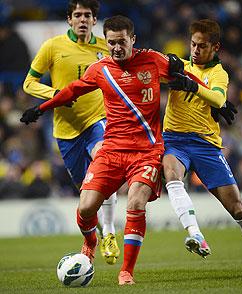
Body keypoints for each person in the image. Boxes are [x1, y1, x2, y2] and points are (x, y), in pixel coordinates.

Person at [20, 15, 186, 285]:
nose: (117, 47)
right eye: (112, 43)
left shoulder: (154, 60)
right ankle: (91, 242)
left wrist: (213, 98)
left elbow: (187, 73)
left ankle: (126, 272)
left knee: (135, 203)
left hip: (146, 151)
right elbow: (72, 90)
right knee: (86, 208)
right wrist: (40, 108)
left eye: (122, 42)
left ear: (133, 39)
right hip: (112, 150)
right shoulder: (100, 69)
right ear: (106, 42)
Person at [163, 19, 242, 277]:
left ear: (215, 47)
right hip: (174, 140)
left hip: (206, 145)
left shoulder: (219, 74)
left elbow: (218, 98)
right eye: (193, 44)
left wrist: (192, 84)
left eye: (202, 46)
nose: (195, 50)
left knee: (237, 208)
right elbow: (151, 65)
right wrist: (164, 60)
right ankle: (195, 234)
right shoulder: (179, 67)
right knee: (171, 174)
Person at [22, 0, 119, 265]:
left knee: (105, 165)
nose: (83, 19)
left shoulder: (105, 47)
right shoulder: (52, 46)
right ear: (69, 19)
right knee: (86, 196)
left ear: (94, 19)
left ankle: (110, 233)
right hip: (66, 132)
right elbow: (29, 83)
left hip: (98, 121)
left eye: (88, 15)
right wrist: (54, 94)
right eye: (78, 15)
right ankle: (91, 241)